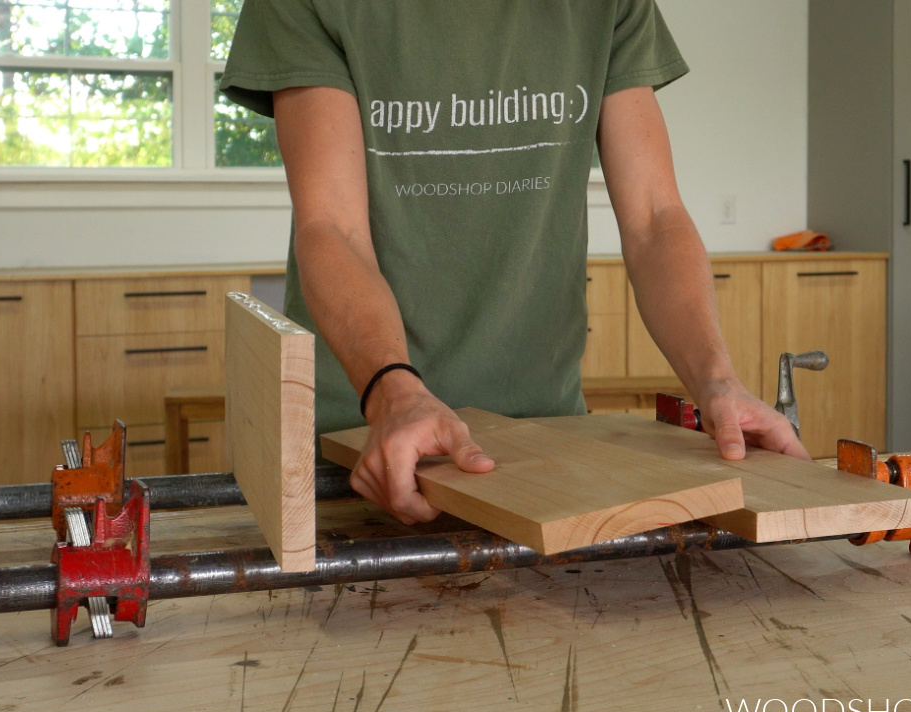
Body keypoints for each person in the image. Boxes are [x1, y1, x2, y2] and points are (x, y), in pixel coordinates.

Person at [220, 0, 809, 526]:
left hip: (543, 438)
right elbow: (333, 228)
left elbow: (655, 218)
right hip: (368, 438)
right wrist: (392, 395)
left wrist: (717, 380)